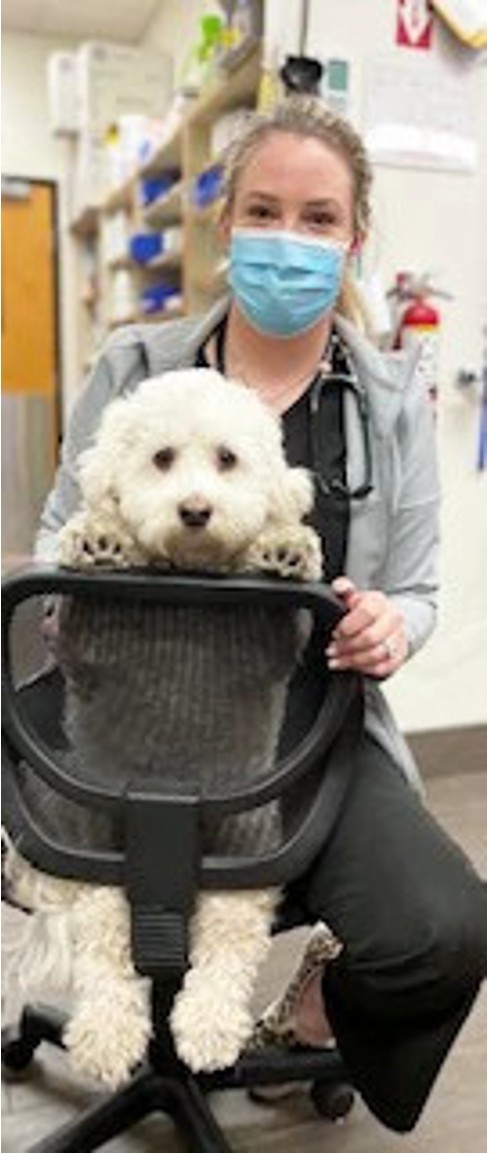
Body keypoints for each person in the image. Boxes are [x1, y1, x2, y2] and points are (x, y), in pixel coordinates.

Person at [35, 96, 485, 1133]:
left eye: (318, 218)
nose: (290, 238)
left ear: (353, 239)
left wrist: (391, 625)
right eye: (265, 211)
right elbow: (62, 533)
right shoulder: (137, 367)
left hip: (304, 734)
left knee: (442, 929)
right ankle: (143, 1004)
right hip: (124, 720)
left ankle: (314, 1009)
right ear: (226, 224)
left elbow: (417, 593)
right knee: (115, 897)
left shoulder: (388, 398)